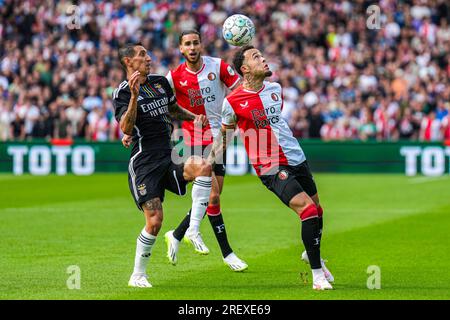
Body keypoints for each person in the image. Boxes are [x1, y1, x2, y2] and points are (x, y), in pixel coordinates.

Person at [207, 45, 334, 290]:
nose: (264, 59)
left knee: (318, 212)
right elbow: (225, 135)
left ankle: (311, 253)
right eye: (256, 57)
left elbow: (276, 125)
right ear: (245, 69)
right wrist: (209, 161)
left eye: (262, 55)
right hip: (271, 166)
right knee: (307, 211)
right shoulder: (232, 102)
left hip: (297, 158)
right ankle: (317, 276)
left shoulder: (276, 89)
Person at [123, 30, 247, 271]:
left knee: (214, 196)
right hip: (193, 138)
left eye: (195, 43)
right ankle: (223, 250)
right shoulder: (173, 77)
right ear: (180, 49)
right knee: (211, 195)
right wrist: (128, 130)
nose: (192, 47)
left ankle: (178, 234)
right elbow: (161, 104)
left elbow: (239, 90)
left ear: (201, 45)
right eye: (187, 44)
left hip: (220, 137)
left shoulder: (218, 66)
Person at [113, 43, 213, 288]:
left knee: (203, 167)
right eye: (142, 55)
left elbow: (172, 108)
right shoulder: (123, 92)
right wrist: (136, 97)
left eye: (148, 53)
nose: (148, 58)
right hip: (144, 161)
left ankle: (193, 230)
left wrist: (194, 117)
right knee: (155, 220)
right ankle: (137, 275)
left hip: (168, 154)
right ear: (128, 62)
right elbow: (125, 128)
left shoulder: (159, 82)